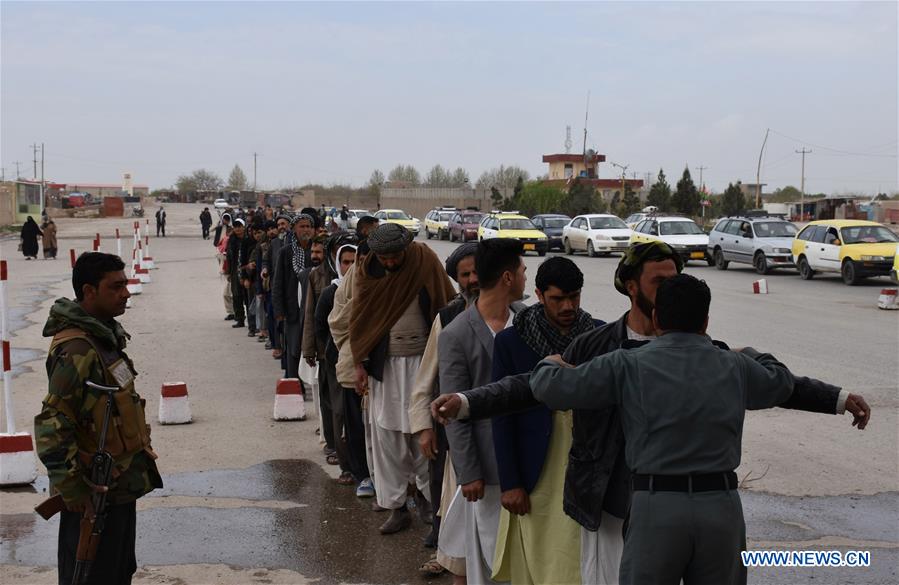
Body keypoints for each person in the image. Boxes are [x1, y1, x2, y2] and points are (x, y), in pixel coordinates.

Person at [433, 241, 871, 585]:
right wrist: (470, 402)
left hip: (654, 508)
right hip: (612, 501)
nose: (667, 286)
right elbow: (524, 389)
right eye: (658, 280)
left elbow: (545, 382)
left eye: (672, 280)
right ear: (631, 286)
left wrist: (834, 397)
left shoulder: (632, 361)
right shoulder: (599, 343)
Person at [528, 274, 795, 584]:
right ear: (705, 321)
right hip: (721, 507)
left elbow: (552, 389)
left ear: (656, 317)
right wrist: (748, 352)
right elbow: (781, 381)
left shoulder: (628, 364)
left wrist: (550, 363)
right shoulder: (734, 366)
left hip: (656, 506)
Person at [35, 252, 162, 584]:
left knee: (119, 571)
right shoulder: (77, 350)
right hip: (92, 494)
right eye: (115, 286)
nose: (126, 292)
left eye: (125, 284)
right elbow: (52, 425)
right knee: (92, 575)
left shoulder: (103, 337)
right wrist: (74, 492)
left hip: (118, 484)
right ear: (89, 291)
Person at [490, 257, 601, 585]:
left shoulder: (600, 335)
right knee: (541, 555)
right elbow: (502, 412)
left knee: (581, 558)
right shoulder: (511, 342)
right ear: (538, 294)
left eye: (574, 297)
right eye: (558, 299)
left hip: (588, 464)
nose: (568, 306)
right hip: (537, 468)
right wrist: (510, 482)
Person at [349, 223, 456, 534]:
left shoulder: (424, 261)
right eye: (385, 258)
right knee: (387, 437)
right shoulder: (369, 269)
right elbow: (361, 318)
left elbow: (445, 304)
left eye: (396, 256)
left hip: (424, 362)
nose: (391, 263)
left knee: (423, 433)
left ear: (406, 249)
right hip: (385, 366)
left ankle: (426, 500)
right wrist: (359, 364)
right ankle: (396, 507)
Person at [438, 239, 525, 584]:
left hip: (530, 461)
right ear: (507, 278)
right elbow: (453, 410)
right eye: (521, 271)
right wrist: (469, 471)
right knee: (490, 560)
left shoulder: (526, 322)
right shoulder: (457, 334)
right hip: (487, 471)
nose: (524, 278)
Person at [409, 242, 479, 564]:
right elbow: (425, 379)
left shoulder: (516, 316)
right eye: (465, 274)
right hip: (451, 427)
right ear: (457, 280)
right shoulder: (447, 317)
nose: (473, 279)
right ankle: (445, 549)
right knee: (444, 488)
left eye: (478, 271)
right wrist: (424, 428)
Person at [272, 214, 314, 378]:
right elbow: (278, 283)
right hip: (292, 309)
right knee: (293, 348)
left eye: (308, 226)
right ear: (294, 229)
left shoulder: (317, 250)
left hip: (312, 307)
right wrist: (279, 310)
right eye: (302, 226)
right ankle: (294, 384)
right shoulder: (286, 252)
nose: (305, 230)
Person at [227, 218, 253, 328]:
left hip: (247, 271)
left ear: (244, 227)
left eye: (239, 226)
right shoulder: (231, 240)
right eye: (235, 226)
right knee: (236, 296)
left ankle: (252, 321)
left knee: (248, 297)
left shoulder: (249, 239)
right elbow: (229, 257)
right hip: (234, 272)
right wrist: (228, 272)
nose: (237, 228)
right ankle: (240, 319)